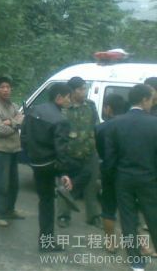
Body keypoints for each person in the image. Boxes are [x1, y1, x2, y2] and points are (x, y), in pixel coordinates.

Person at [104, 84, 157, 271]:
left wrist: (113, 179)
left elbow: (109, 158)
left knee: (128, 220)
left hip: (124, 179)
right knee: (153, 218)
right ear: (144, 100)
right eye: (151, 99)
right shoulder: (154, 123)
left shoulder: (115, 123)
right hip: (149, 179)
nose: (152, 103)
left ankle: (136, 264)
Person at [21, 83, 73, 252]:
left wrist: (30, 155)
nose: (69, 101)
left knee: (44, 201)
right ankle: (46, 241)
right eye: (68, 97)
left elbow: (25, 137)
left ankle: (45, 240)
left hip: (36, 163)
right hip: (50, 165)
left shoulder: (34, 110)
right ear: (59, 97)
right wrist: (64, 172)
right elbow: (62, 149)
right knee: (48, 203)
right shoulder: (61, 120)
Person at [56, 77, 101, 229]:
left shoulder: (90, 105)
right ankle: (63, 216)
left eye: (84, 88)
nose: (84, 91)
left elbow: (96, 127)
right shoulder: (63, 109)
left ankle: (93, 216)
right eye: (81, 89)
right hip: (69, 155)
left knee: (92, 186)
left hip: (90, 153)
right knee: (66, 186)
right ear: (73, 91)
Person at [0, 75, 25, 227]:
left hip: (14, 148)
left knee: (14, 183)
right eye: (2, 87)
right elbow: (0, 130)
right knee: (1, 183)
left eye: (8, 87)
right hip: (1, 150)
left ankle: (10, 209)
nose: (6, 90)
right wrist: (15, 122)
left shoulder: (14, 106)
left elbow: (23, 119)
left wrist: (11, 122)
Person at [95, 93, 128, 252]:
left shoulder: (101, 128)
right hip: (130, 173)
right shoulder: (133, 125)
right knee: (131, 210)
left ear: (108, 108)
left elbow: (100, 151)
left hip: (109, 173)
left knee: (108, 209)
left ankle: (111, 243)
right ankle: (140, 245)